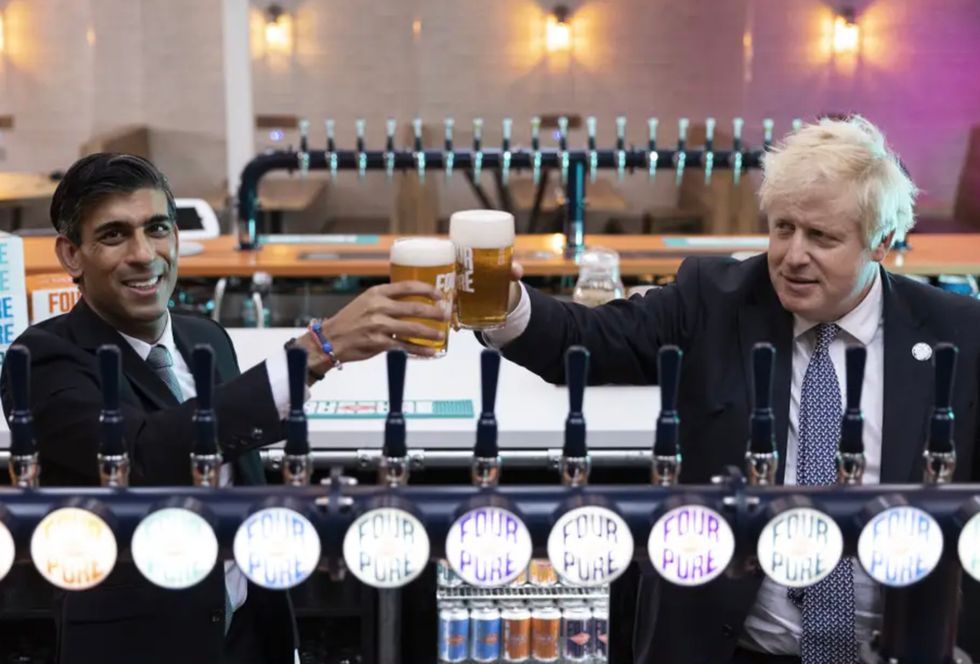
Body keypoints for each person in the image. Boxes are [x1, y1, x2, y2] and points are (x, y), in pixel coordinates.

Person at [483, 116, 980, 664]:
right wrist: (507, 306)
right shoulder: (713, 299)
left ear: (882, 242)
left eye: (822, 237)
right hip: (732, 646)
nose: (793, 256)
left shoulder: (959, 334)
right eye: (783, 228)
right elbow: (589, 340)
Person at [0, 153, 449, 664]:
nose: (144, 254)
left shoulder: (204, 335)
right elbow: (144, 455)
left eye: (158, 228)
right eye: (114, 235)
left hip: (250, 634)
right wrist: (317, 351)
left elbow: (234, 451)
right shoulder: (41, 358)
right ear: (71, 255)